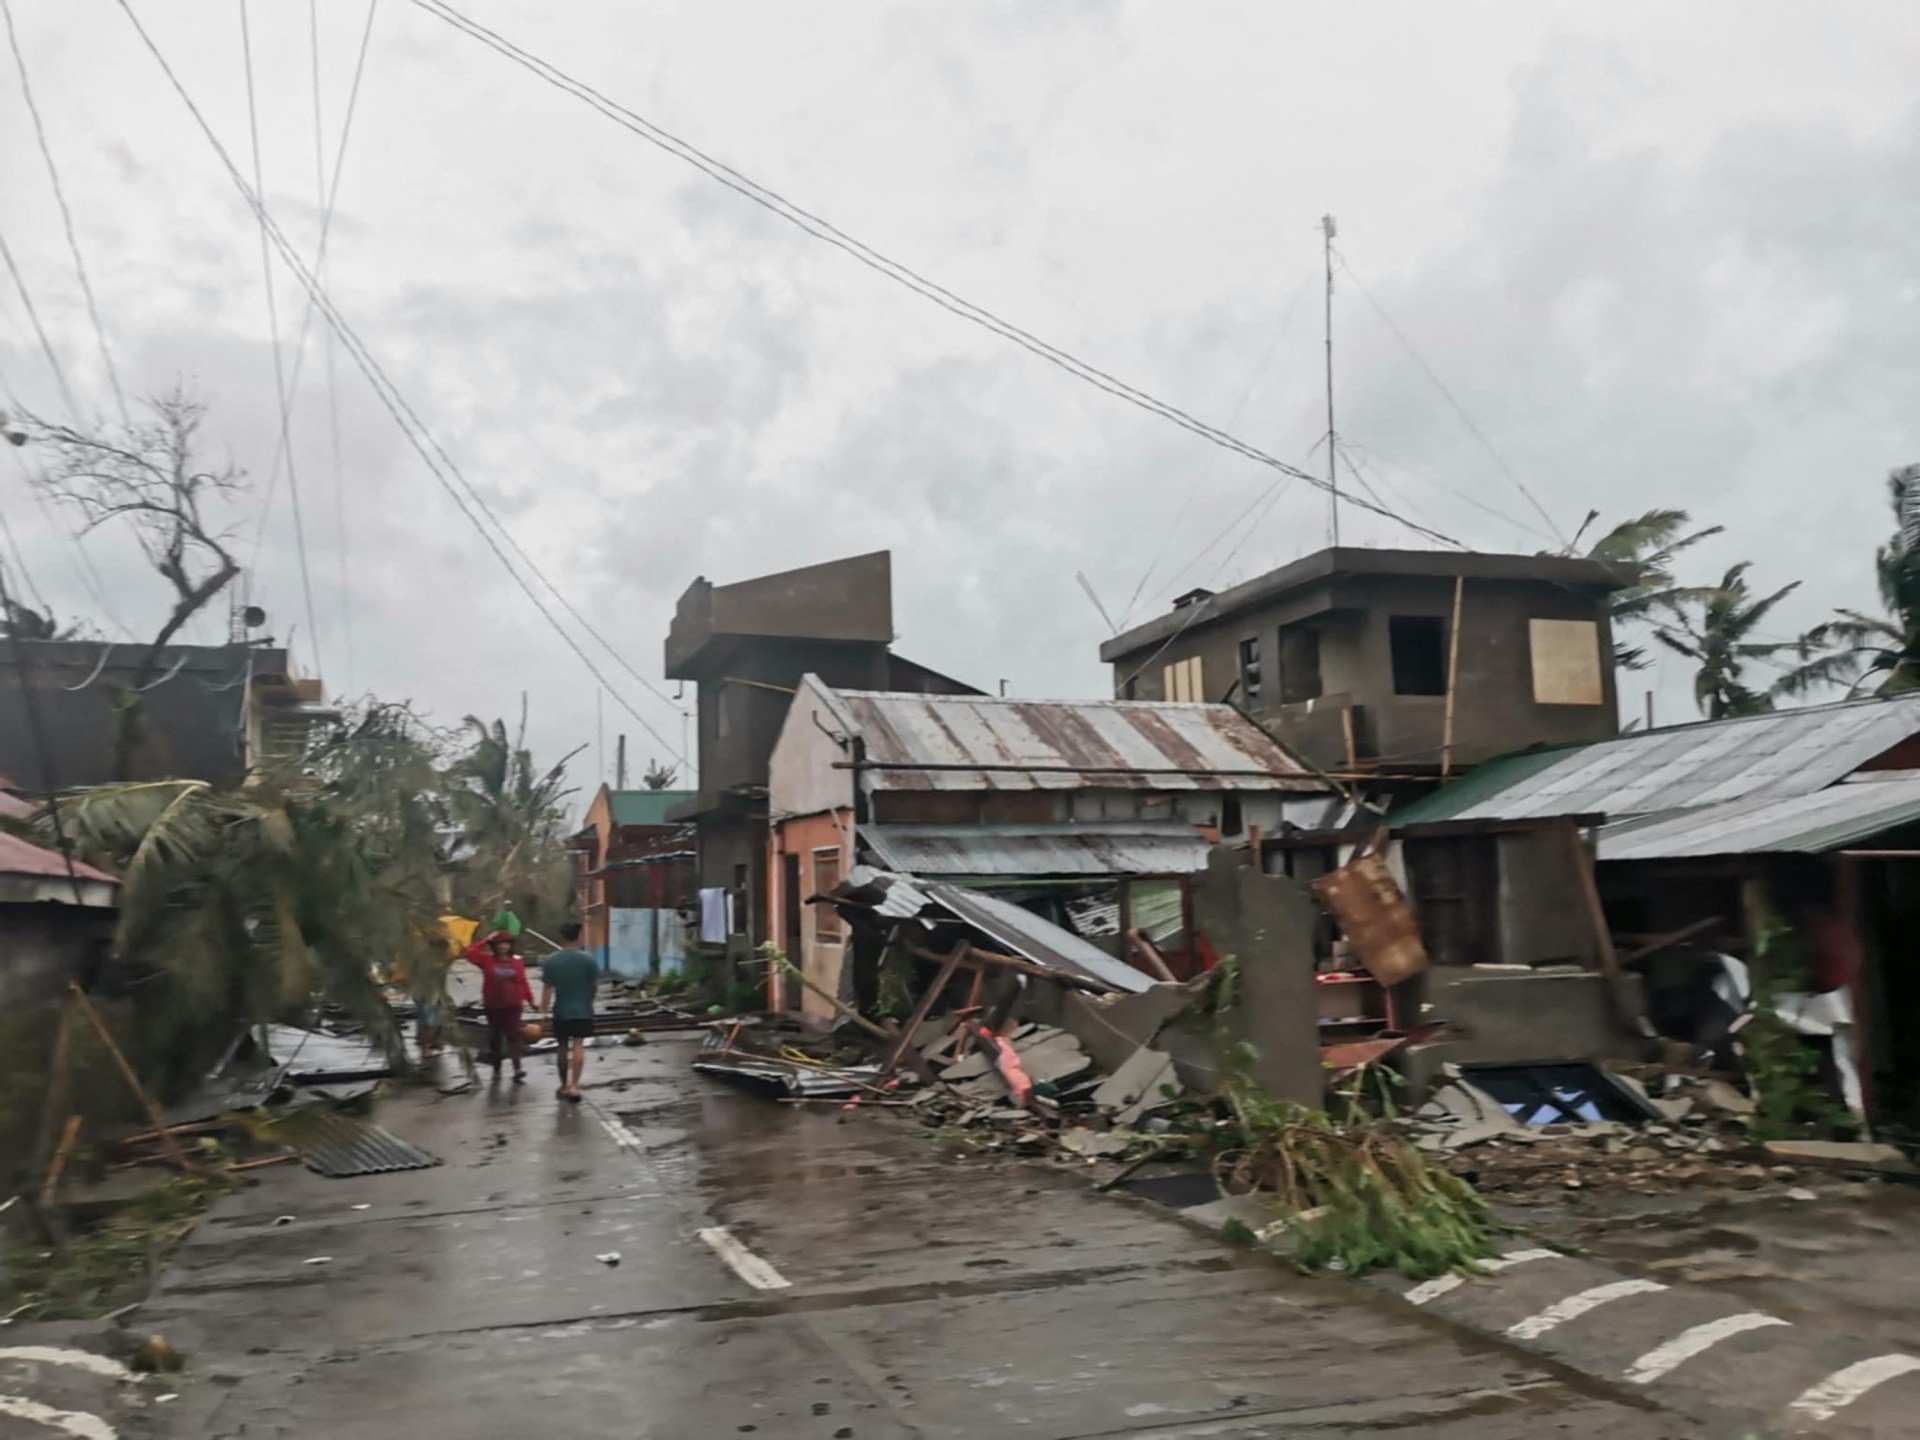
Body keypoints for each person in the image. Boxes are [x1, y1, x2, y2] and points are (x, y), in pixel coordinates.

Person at [464, 929, 533, 1082]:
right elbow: (469, 954)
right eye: (500, 944)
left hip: (514, 1006)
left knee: (514, 1036)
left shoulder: (516, 961)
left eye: (506, 944)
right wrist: (486, 940)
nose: (503, 947)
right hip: (493, 1006)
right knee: (495, 1037)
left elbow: (523, 983)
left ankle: (517, 1068)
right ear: (494, 946)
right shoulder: (486, 960)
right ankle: (497, 1069)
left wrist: (531, 1000)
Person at [541, 922, 599, 1102]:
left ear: (562, 936)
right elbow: (594, 986)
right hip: (582, 1009)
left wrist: (543, 1013)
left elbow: (547, 989)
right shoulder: (589, 960)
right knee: (578, 1045)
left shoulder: (551, 961)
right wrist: (588, 1000)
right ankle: (575, 1086)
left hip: (561, 1010)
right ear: (579, 936)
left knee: (562, 1046)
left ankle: (563, 1084)